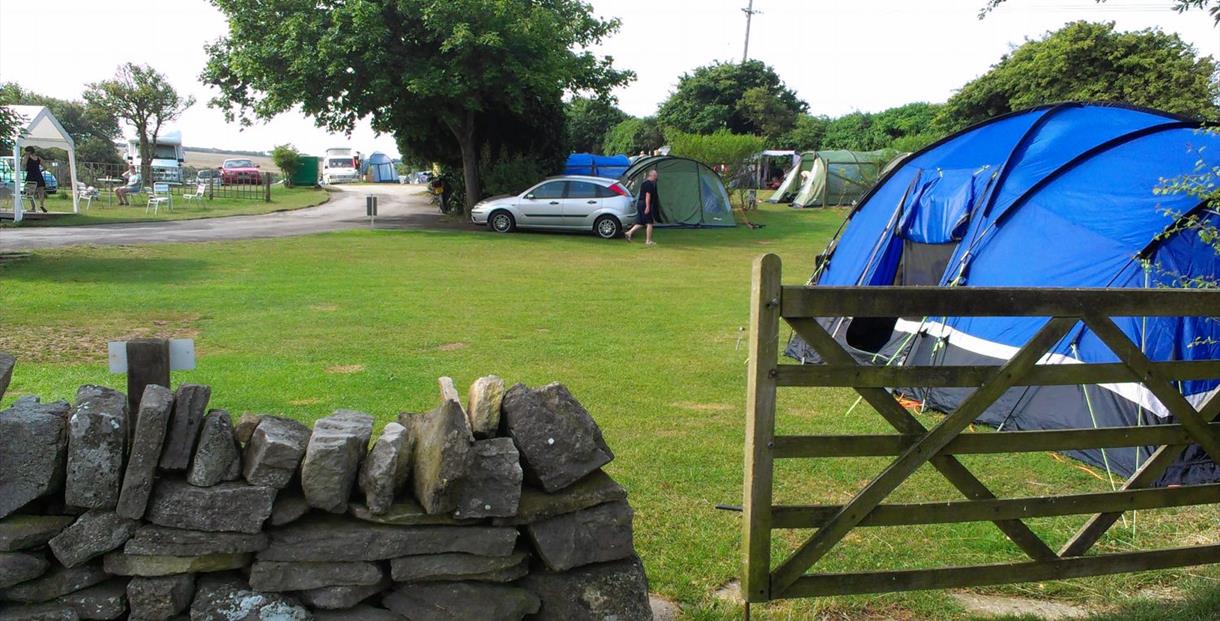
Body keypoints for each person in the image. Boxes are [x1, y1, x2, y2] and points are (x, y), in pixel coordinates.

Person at [625, 169, 659, 245]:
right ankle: (648, 241)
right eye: (655, 175)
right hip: (644, 204)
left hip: (640, 204)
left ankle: (629, 232)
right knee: (649, 223)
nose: (656, 177)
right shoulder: (649, 184)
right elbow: (648, 195)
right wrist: (647, 207)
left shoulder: (644, 183)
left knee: (640, 222)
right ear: (651, 175)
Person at [20, 147, 48, 213]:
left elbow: (23, 165)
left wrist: (25, 158)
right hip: (38, 175)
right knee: (41, 192)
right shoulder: (38, 158)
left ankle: (33, 207)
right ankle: (41, 205)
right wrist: (41, 170)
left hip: (31, 176)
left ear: (28, 151)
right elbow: (45, 167)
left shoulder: (27, 157)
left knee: (29, 192)